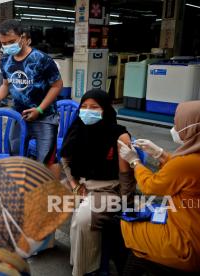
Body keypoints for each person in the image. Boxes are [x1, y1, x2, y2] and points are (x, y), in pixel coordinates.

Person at [118, 100, 200, 273]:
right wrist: (160, 154)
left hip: (189, 245)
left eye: (178, 124)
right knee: (143, 210)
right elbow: (187, 175)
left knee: (125, 223)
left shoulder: (189, 162)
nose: (174, 128)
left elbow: (150, 186)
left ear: (193, 128)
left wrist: (135, 161)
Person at [60, 89, 135, 276]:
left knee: (84, 217)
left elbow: (126, 176)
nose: (87, 111)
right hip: (80, 184)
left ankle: (85, 269)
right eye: (84, 107)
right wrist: (74, 185)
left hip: (107, 189)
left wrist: (127, 206)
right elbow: (66, 161)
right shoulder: (77, 128)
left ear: (106, 110)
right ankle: (42, 245)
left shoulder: (119, 136)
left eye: (94, 107)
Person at [0, 19, 63, 177]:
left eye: (11, 41)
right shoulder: (5, 59)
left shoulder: (42, 59)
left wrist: (40, 109)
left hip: (45, 116)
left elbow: (57, 85)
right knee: (17, 154)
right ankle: (23, 188)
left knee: (47, 159)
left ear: (22, 37)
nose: (7, 46)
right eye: (3, 43)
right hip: (19, 116)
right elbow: (6, 85)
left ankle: (52, 193)